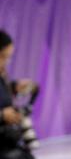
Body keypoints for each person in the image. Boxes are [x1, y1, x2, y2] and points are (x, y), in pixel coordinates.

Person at [0, 30, 36, 159]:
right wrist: (2, 115)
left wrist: (15, 87)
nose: (6, 61)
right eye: (3, 56)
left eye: (8, 57)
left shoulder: (2, 75)